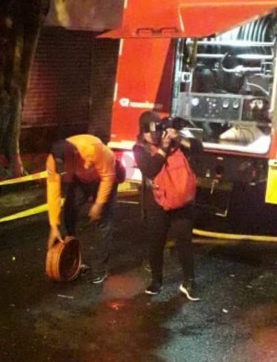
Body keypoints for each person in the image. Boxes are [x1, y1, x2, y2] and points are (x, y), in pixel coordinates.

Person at [133, 111, 203, 301]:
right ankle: (157, 280)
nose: (154, 135)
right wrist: (163, 148)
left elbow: (198, 148)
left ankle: (189, 281)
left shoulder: (175, 142)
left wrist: (178, 137)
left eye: (157, 130)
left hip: (181, 203)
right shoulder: (140, 149)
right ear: (142, 132)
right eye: (149, 132)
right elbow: (150, 169)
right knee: (156, 244)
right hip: (155, 203)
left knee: (184, 242)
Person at [46, 134, 123, 284]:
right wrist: (53, 225)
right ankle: (71, 258)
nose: (63, 171)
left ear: (74, 155)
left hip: (104, 178)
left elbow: (108, 176)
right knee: (69, 212)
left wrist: (98, 204)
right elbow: (53, 191)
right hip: (81, 179)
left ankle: (100, 269)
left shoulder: (94, 149)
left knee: (103, 222)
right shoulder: (52, 161)